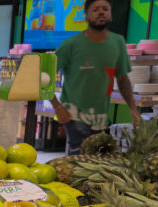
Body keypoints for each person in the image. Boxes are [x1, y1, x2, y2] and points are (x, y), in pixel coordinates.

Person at [51, 0, 139, 155]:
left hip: (102, 118)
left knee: (98, 164)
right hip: (75, 116)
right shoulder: (71, 45)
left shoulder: (117, 42)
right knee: (80, 162)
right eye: (95, 9)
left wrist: (132, 108)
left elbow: (123, 79)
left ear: (111, 15)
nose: (101, 12)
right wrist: (58, 107)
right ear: (86, 16)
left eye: (105, 9)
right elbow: (43, 77)